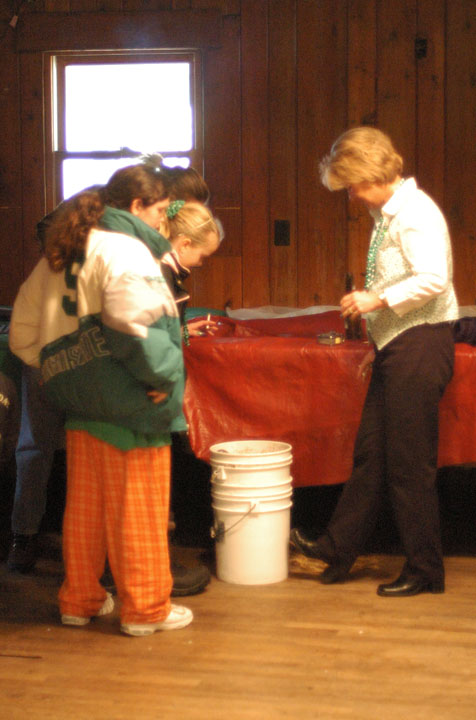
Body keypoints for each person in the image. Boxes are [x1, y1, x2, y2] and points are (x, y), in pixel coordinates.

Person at [9, 164, 193, 635]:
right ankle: (146, 609)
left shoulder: (62, 251)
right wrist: (168, 376)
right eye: (157, 212)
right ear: (136, 207)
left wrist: (56, 370)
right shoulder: (126, 250)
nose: (161, 223)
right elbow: (137, 324)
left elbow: (22, 333)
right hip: (132, 401)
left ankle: (80, 600)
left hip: (78, 402)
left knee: (85, 510)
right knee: (141, 508)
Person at [291, 126, 459, 597]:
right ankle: (336, 548)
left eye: (352, 184)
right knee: (371, 455)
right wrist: (379, 343)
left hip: (421, 345)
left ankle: (425, 570)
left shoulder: (414, 214)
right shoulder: (387, 212)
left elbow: (434, 280)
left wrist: (375, 302)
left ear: (370, 173)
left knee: (409, 466)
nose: (351, 194)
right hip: (401, 345)